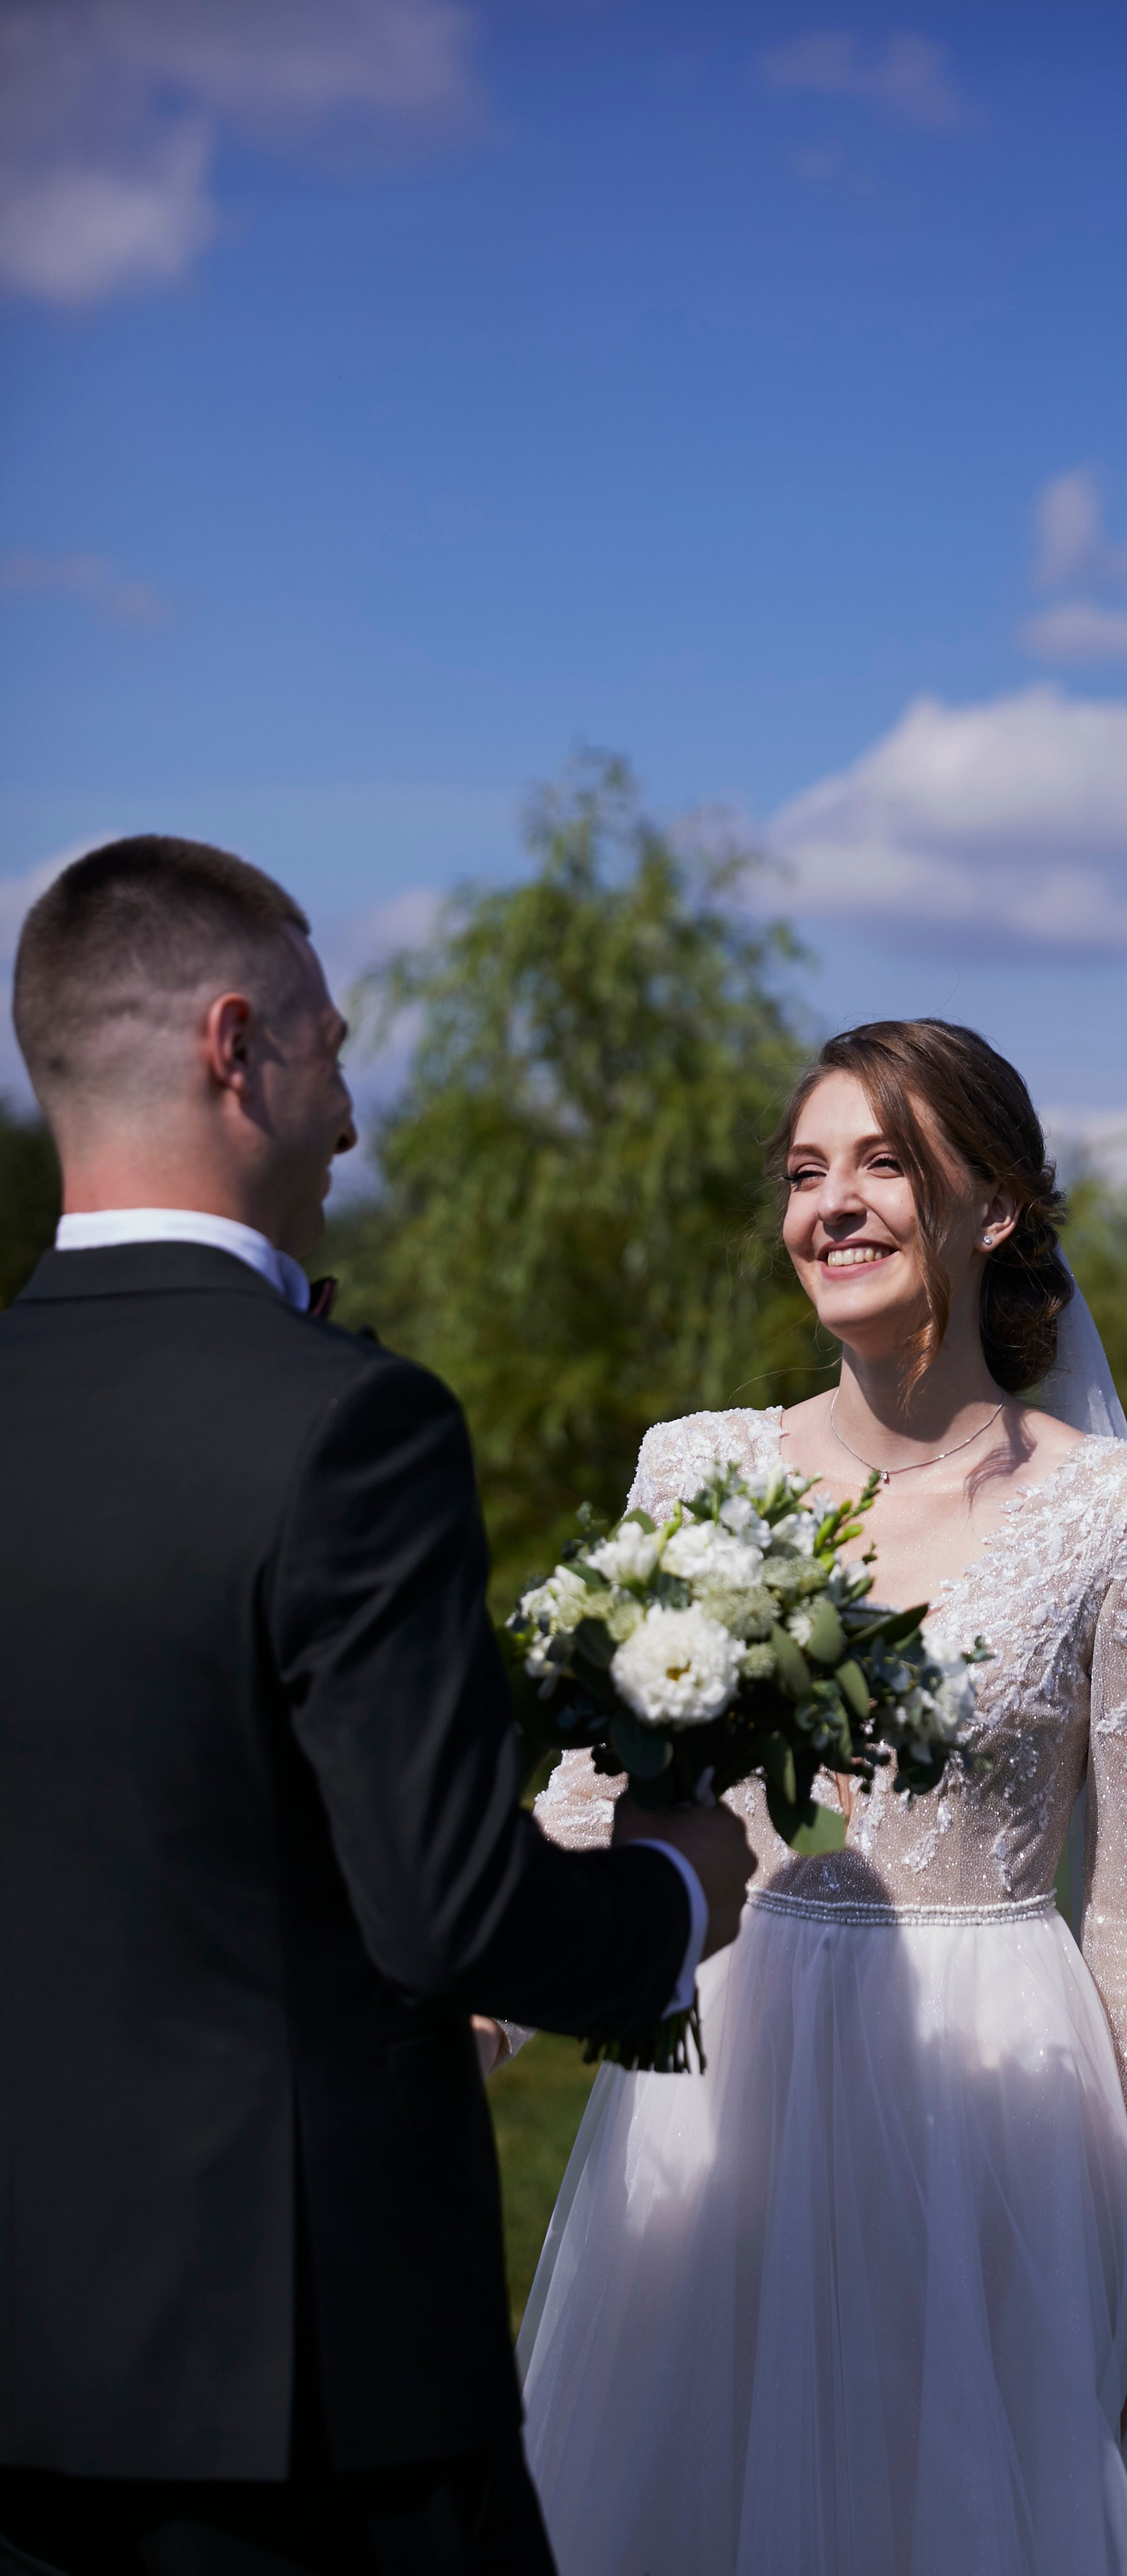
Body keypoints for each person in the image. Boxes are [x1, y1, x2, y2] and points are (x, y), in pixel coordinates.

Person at [0, 837, 754, 2576]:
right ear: (236, 1045)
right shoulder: (349, 1422)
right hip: (306, 2398)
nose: (350, 1118)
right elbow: (447, 1907)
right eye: (335, 1050)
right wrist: (676, 1890)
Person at [516, 1018, 1127, 2574]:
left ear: (995, 1208)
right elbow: (589, 1794)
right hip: (715, 2076)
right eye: (802, 1171)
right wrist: (469, 1995)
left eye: (882, 1163)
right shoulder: (692, 1472)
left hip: (990, 2094)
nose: (828, 1205)